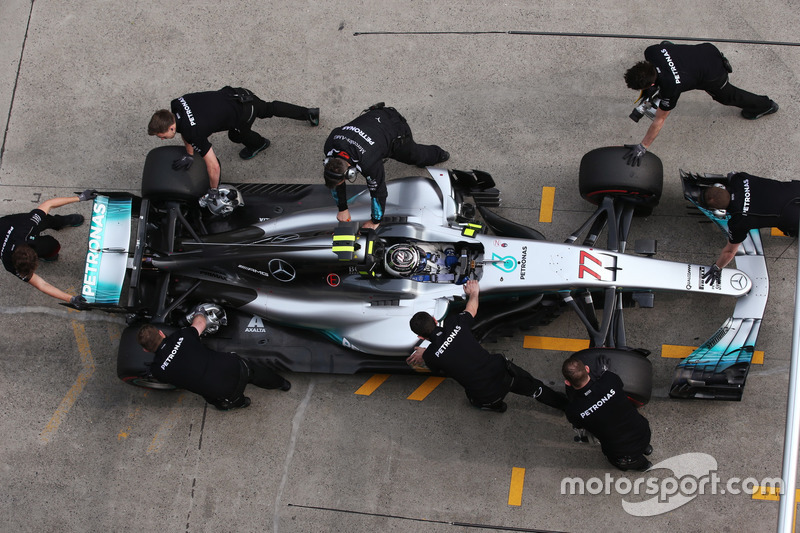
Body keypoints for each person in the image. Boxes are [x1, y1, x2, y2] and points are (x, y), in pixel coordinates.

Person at [407, 280, 567, 413]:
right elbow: (472, 309)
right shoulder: (455, 323)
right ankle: (564, 404)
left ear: (420, 337)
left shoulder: (430, 356)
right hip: (506, 373)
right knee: (536, 389)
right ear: (435, 320)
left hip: (487, 394)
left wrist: (425, 352)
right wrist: (474, 292)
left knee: (479, 401)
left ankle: (497, 407)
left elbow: (439, 362)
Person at [623, 42, 778, 166]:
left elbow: (659, 120)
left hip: (713, 73)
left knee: (727, 97)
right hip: (706, 49)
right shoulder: (652, 51)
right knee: (667, 47)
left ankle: (766, 106)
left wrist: (643, 146)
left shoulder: (672, 87)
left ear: (650, 85)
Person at [148, 86, 319, 192]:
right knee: (269, 108)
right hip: (240, 94)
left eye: (162, 136)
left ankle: (260, 144)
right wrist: (190, 154)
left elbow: (213, 166)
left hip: (244, 113)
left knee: (235, 135)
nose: (163, 139)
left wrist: (213, 191)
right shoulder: (176, 104)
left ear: (171, 127)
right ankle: (309, 113)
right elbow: (184, 130)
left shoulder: (194, 133)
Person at [137, 304, 291, 410]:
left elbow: (171, 378)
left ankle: (243, 403)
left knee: (225, 402)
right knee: (256, 373)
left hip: (222, 391)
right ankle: (282, 384)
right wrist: (199, 311)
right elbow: (200, 322)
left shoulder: (158, 371)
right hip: (233, 366)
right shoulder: (182, 336)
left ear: (145, 350)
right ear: (161, 333)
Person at [323, 103, 450, 230]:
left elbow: (379, 193)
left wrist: (375, 221)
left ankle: (439, 154)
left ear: (351, 172)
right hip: (375, 117)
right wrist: (342, 208)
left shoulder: (368, 162)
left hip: (395, 126)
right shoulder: (330, 144)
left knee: (415, 155)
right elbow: (336, 177)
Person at [1, 190, 97, 307]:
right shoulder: (9, 264)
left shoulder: (28, 224)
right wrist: (70, 299)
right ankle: (49, 254)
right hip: (17, 233)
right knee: (52, 246)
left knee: (46, 219)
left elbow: (48, 204)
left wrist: (80, 198)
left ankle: (60, 221)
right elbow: (41, 284)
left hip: (16, 224)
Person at [702, 172, 800, 284]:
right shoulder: (740, 179)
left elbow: (729, 252)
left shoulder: (738, 222)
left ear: (719, 212)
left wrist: (717, 267)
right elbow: (731, 175)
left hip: (795, 218)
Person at [562, 356, 652, 471]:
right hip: (643, 431)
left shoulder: (574, 410)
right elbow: (615, 382)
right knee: (639, 441)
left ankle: (644, 466)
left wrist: (571, 392)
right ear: (587, 369)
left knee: (625, 462)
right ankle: (646, 448)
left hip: (622, 452)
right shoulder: (610, 380)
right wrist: (604, 371)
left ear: (567, 382)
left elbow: (578, 424)